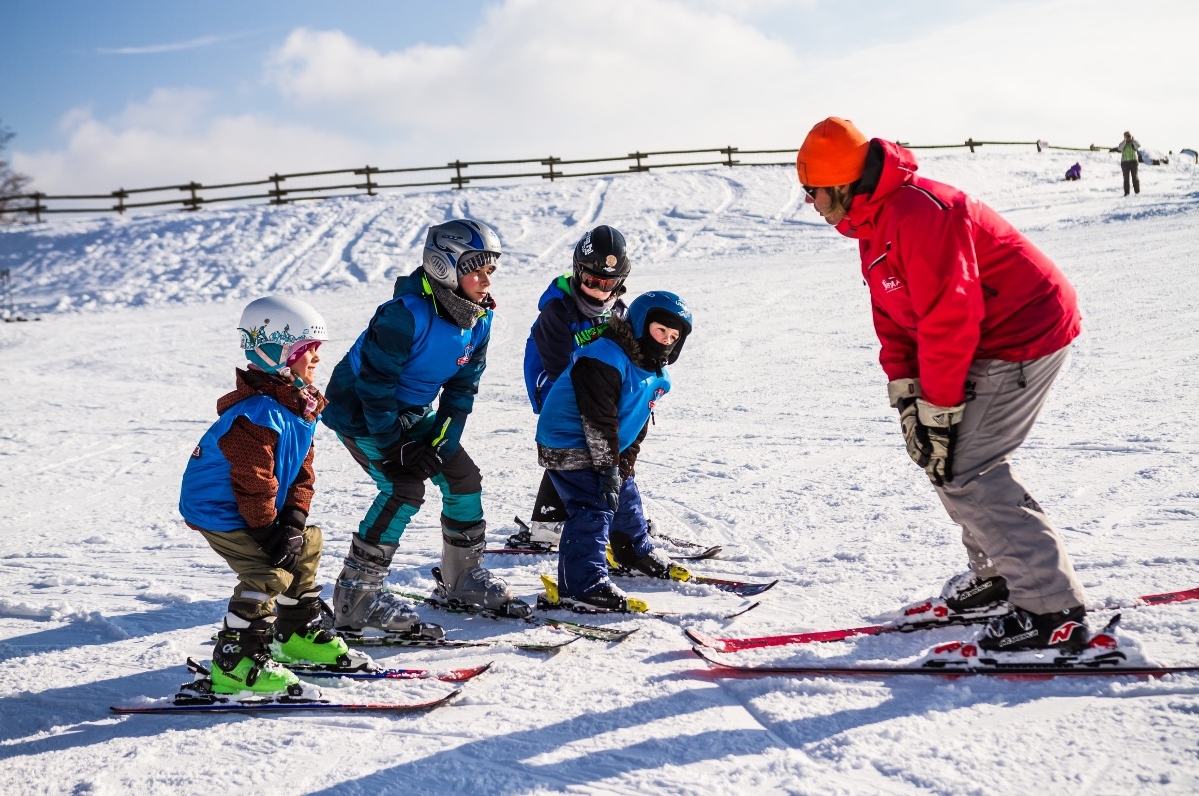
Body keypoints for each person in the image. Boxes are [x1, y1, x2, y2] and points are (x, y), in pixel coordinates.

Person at [796, 117, 1089, 652]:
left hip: (1023, 329)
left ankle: (1052, 610)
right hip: (982, 335)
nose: (810, 202)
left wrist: (940, 407)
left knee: (968, 463)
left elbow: (948, 318)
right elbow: (894, 319)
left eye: (811, 191)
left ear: (839, 182)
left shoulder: (918, 212)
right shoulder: (871, 224)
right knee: (942, 456)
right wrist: (909, 399)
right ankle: (1000, 573)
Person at [322, 219, 531, 636]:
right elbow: (374, 388)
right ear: (443, 267)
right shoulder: (403, 316)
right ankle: (355, 598)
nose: (486, 279)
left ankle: (462, 578)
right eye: (476, 268)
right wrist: (392, 446)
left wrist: (441, 442)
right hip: (361, 413)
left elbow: (461, 389)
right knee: (402, 488)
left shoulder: (479, 320)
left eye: (491, 270)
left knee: (463, 477)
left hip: (411, 413)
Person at [179, 296, 351, 696]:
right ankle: (235, 664)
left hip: (254, 506)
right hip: (220, 509)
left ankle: (295, 634)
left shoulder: (297, 407)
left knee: (306, 544)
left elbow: (301, 473)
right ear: (279, 352)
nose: (316, 359)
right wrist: (267, 533)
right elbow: (253, 481)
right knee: (267, 571)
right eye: (308, 350)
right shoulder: (255, 415)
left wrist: (291, 523)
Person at [535, 290, 693, 611]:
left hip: (604, 446)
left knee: (625, 495)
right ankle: (581, 586)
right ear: (639, 324)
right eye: (660, 330)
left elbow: (635, 425)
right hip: (568, 442)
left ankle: (632, 552)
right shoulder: (604, 356)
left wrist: (621, 468)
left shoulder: (655, 375)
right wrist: (607, 469)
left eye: (674, 337)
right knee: (593, 506)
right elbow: (598, 419)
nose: (666, 341)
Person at [512, 224, 631, 551]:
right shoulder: (558, 310)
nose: (598, 291)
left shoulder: (618, 311)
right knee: (573, 443)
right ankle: (550, 523)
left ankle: (614, 514)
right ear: (578, 274)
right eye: (592, 281)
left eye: (607, 284)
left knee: (610, 438)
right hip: (553, 379)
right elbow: (558, 368)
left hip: (594, 382)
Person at [1111, 131, 1141, 196]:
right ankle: (1126, 192)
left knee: (1134, 177)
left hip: (1133, 161)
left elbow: (1138, 146)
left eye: (1129, 136)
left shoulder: (1133, 143)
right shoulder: (1123, 143)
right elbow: (1120, 148)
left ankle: (1137, 191)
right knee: (1126, 178)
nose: (1128, 137)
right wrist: (1124, 141)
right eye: (1126, 136)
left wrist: (1133, 140)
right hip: (1125, 162)